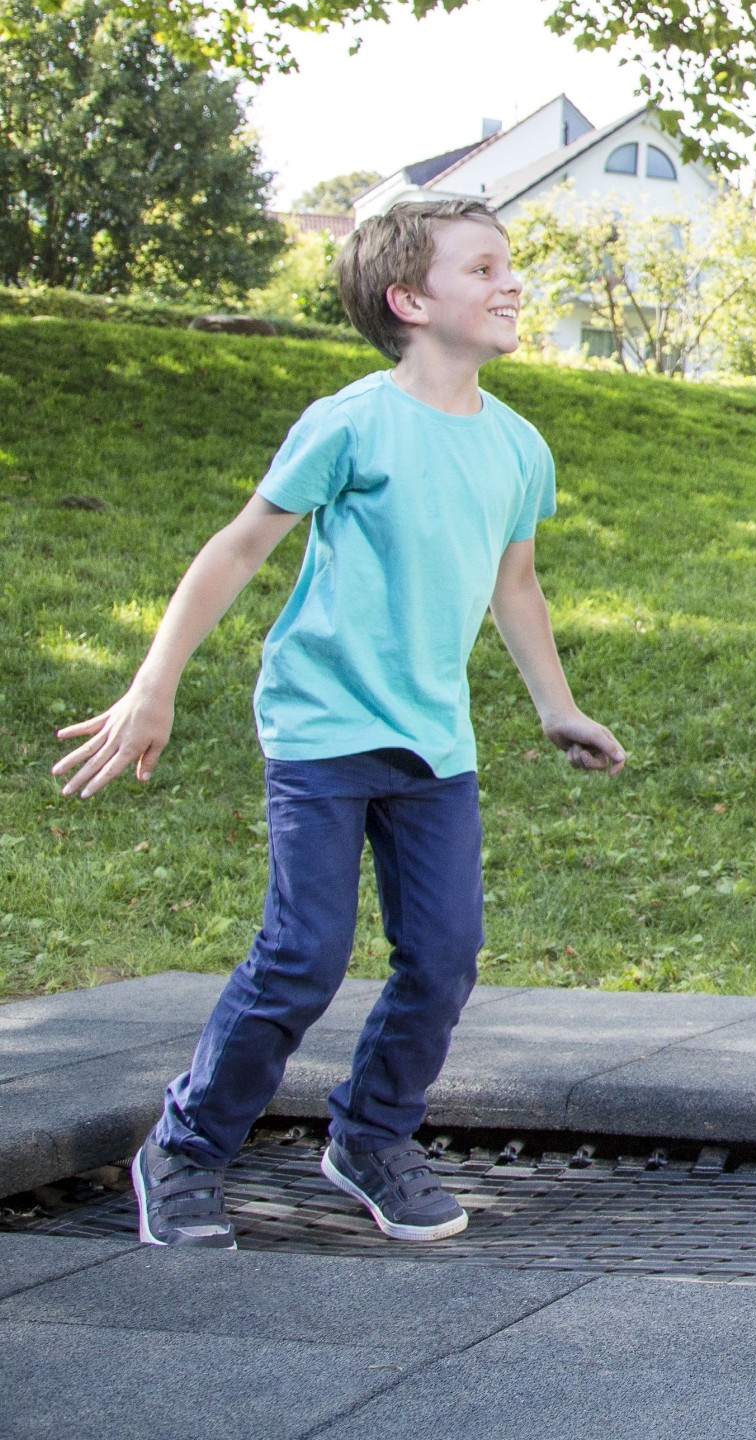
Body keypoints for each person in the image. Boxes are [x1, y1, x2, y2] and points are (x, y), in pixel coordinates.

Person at [52, 198, 624, 1250]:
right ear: (410, 300)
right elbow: (238, 546)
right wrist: (153, 684)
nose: (511, 283)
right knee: (303, 955)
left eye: (509, 266)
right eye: (483, 268)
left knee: (444, 957)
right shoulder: (352, 421)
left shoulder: (519, 447)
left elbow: (517, 584)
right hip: (321, 723)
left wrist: (557, 708)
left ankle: (370, 1137)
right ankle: (183, 1148)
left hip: (433, 741)